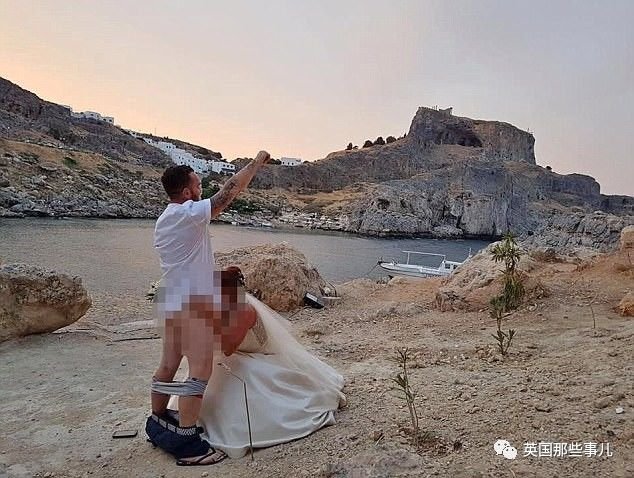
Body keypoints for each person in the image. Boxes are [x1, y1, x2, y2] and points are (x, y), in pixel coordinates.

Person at [146, 151, 270, 466]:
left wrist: (219, 275)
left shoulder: (166, 219)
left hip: (171, 300)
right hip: (192, 307)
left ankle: (159, 420)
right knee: (199, 372)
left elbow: (188, 263)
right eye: (198, 185)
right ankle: (188, 445)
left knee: (168, 365)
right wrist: (255, 163)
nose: (202, 189)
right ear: (187, 192)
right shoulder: (188, 213)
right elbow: (228, 192)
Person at [172, 266, 347, 459]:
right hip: (238, 354)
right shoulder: (225, 306)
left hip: (260, 356)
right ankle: (192, 417)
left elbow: (228, 348)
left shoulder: (245, 310)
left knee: (240, 371)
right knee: (209, 368)